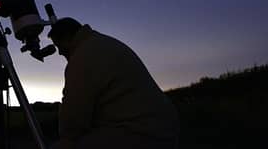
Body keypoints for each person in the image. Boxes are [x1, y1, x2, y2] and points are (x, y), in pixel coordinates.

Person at [48, 18, 179, 149]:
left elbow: (73, 123)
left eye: (59, 46)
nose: (59, 52)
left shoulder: (81, 58)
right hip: (162, 128)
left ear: (67, 36)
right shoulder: (103, 43)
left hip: (140, 134)